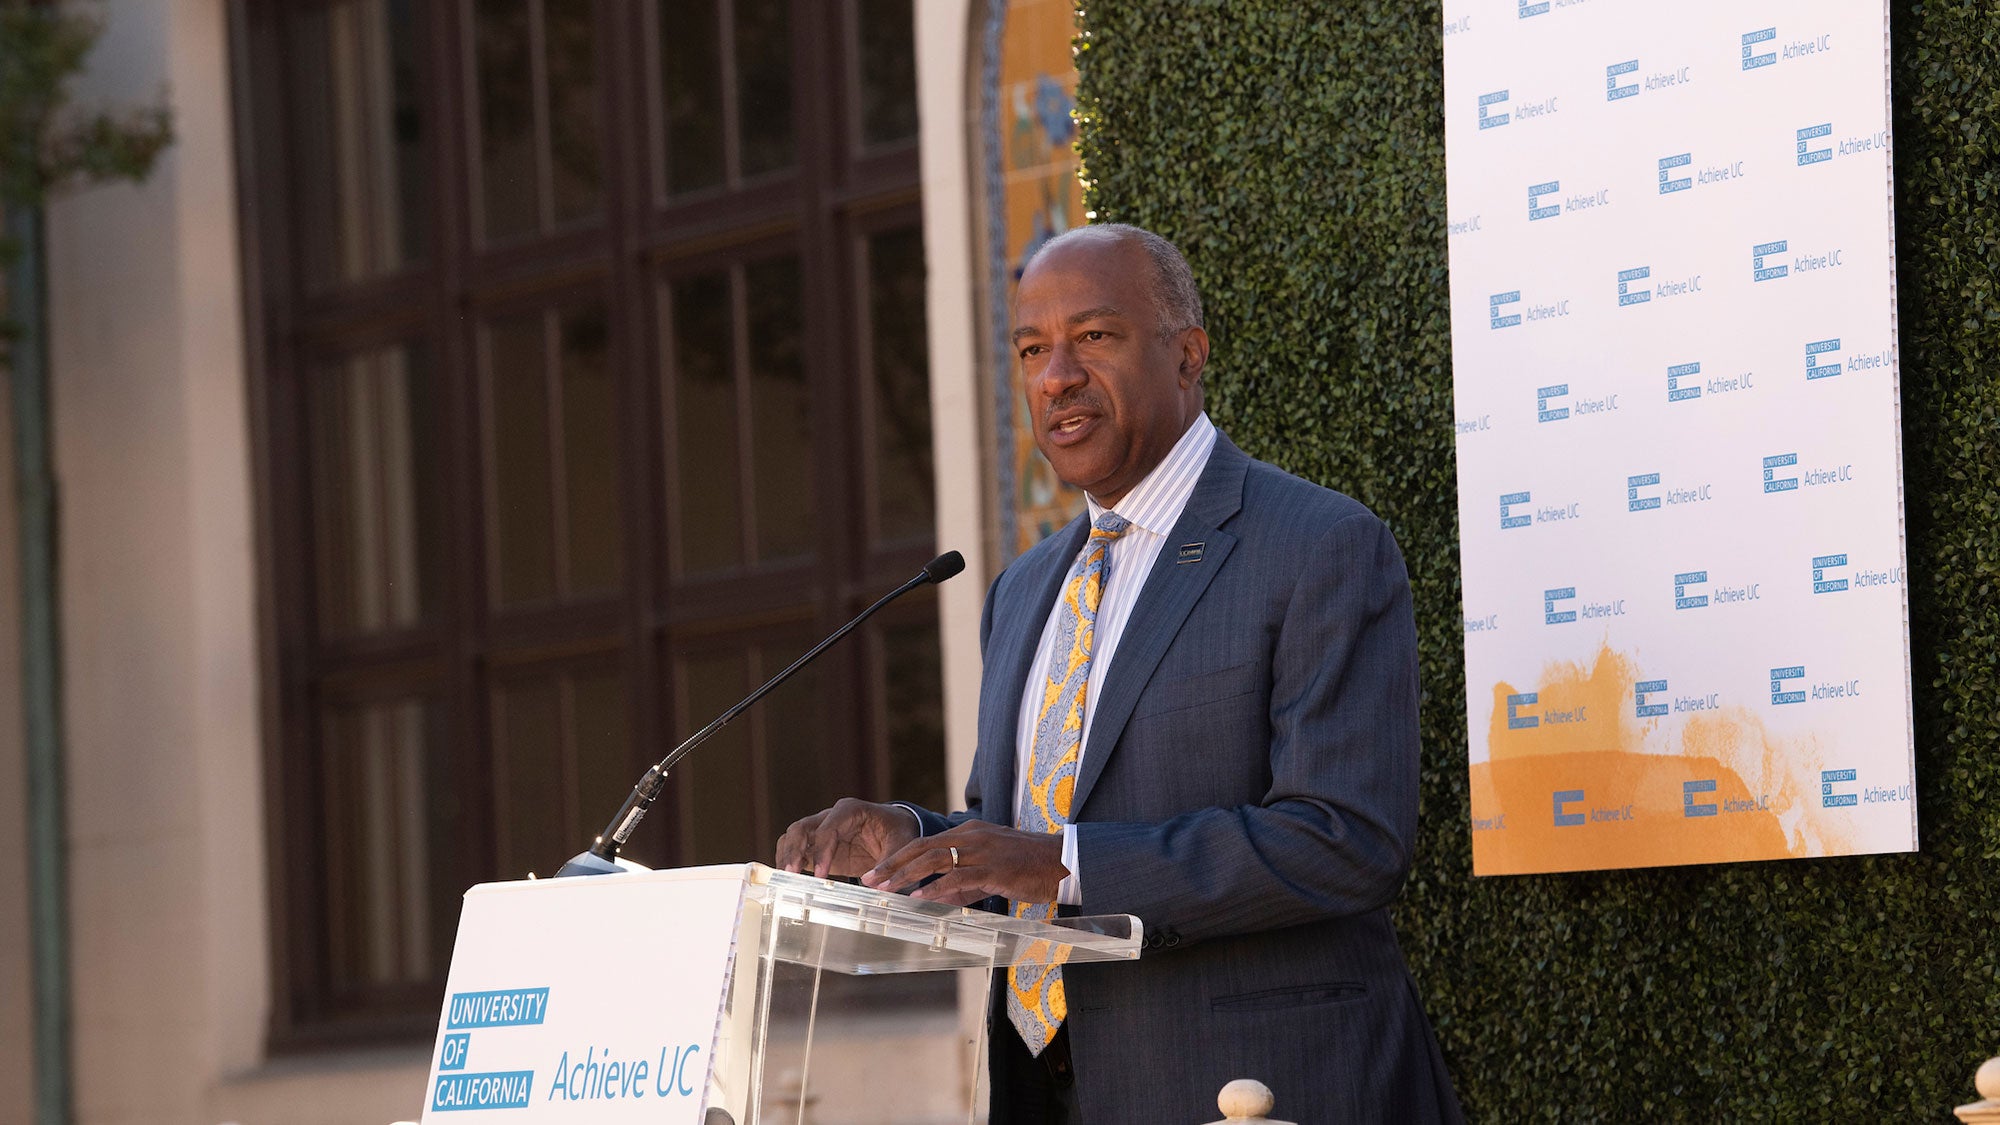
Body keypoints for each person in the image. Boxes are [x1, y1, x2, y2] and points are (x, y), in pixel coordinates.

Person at [777, 224, 1461, 1123]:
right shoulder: (1023, 592)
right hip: (1050, 1090)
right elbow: (1014, 839)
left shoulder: (1317, 547)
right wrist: (912, 839)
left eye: (1093, 336)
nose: (1055, 374)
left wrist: (1062, 863)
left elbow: (1346, 838)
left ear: (1188, 355)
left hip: (1257, 1085)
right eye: (1031, 349)